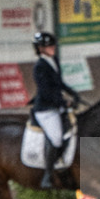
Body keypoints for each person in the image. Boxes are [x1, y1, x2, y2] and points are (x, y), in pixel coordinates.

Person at [31, 31, 80, 188]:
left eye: (52, 45)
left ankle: (64, 164)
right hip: (45, 109)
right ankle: (47, 174)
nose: (52, 48)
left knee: (72, 130)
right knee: (57, 137)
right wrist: (63, 102)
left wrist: (73, 93)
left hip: (56, 106)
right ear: (40, 49)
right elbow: (46, 91)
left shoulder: (54, 61)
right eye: (48, 46)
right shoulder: (39, 67)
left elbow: (59, 84)